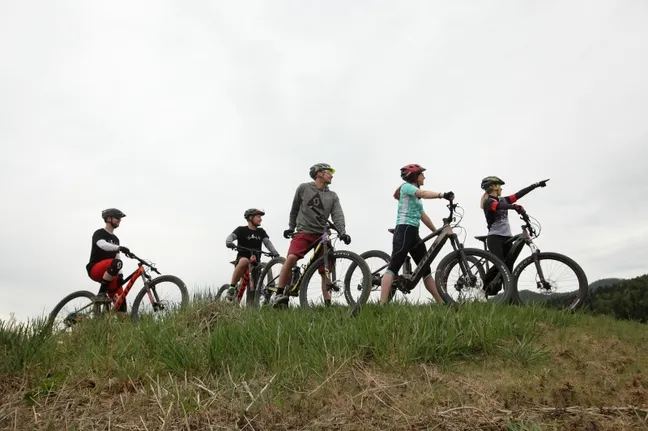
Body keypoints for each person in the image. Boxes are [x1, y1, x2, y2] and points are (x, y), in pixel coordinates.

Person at [270, 163, 351, 307]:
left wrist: (342, 232)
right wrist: (291, 227)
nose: (332, 175)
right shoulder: (304, 188)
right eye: (329, 172)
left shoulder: (332, 196)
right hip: (304, 231)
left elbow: (338, 215)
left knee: (325, 269)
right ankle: (279, 293)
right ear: (319, 173)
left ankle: (328, 304)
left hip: (322, 234)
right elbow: (294, 210)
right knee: (292, 258)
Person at [379, 164, 454, 305]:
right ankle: (382, 305)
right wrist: (441, 195)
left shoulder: (415, 196)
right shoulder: (406, 187)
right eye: (422, 174)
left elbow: (423, 216)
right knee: (394, 267)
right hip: (404, 229)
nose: (424, 177)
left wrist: (436, 231)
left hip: (414, 233)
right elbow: (424, 194)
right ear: (414, 176)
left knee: (425, 269)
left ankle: (442, 304)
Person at [479, 176, 548, 294]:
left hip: (507, 238)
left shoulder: (504, 199)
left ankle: (509, 298)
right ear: (493, 186)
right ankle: (483, 287)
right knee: (500, 265)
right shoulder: (488, 202)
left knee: (508, 269)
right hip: (495, 237)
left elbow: (519, 194)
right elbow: (497, 206)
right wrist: (514, 206)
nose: (501, 188)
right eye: (499, 186)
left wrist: (535, 185)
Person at [224, 208, 280, 301]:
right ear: (250, 218)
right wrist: (229, 241)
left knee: (256, 282)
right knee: (244, 260)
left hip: (256, 262)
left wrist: (274, 252)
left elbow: (267, 242)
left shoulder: (261, 231)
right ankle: (232, 287)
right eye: (258, 217)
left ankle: (256, 302)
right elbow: (231, 236)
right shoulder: (241, 230)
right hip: (242, 259)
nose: (260, 219)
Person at [86, 208, 131, 310]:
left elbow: (117, 256)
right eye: (117, 217)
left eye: (120, 218)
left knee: (121, 301)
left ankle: (118, 321)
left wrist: (120, 275)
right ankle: (101, 293)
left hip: (111, 271)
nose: (120, 220)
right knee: (117, 263)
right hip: (95, 268)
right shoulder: (99, 232)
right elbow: (102, 245)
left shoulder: (116, 239)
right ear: (108, 218)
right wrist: (118, 247)